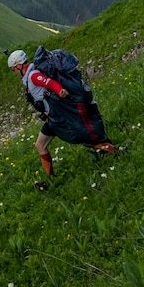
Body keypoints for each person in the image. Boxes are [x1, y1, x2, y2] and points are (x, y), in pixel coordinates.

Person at [8, 47, 117, 187]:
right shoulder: (30, 76)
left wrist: (60, 91)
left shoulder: (33, 76)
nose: (14, 72)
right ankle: (51, 179)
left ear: (18, 66)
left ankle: (113, 149)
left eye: (13, 69)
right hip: (52, 118)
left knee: (79, 137)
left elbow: (50, 83)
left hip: (58, 116)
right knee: (40, 145)